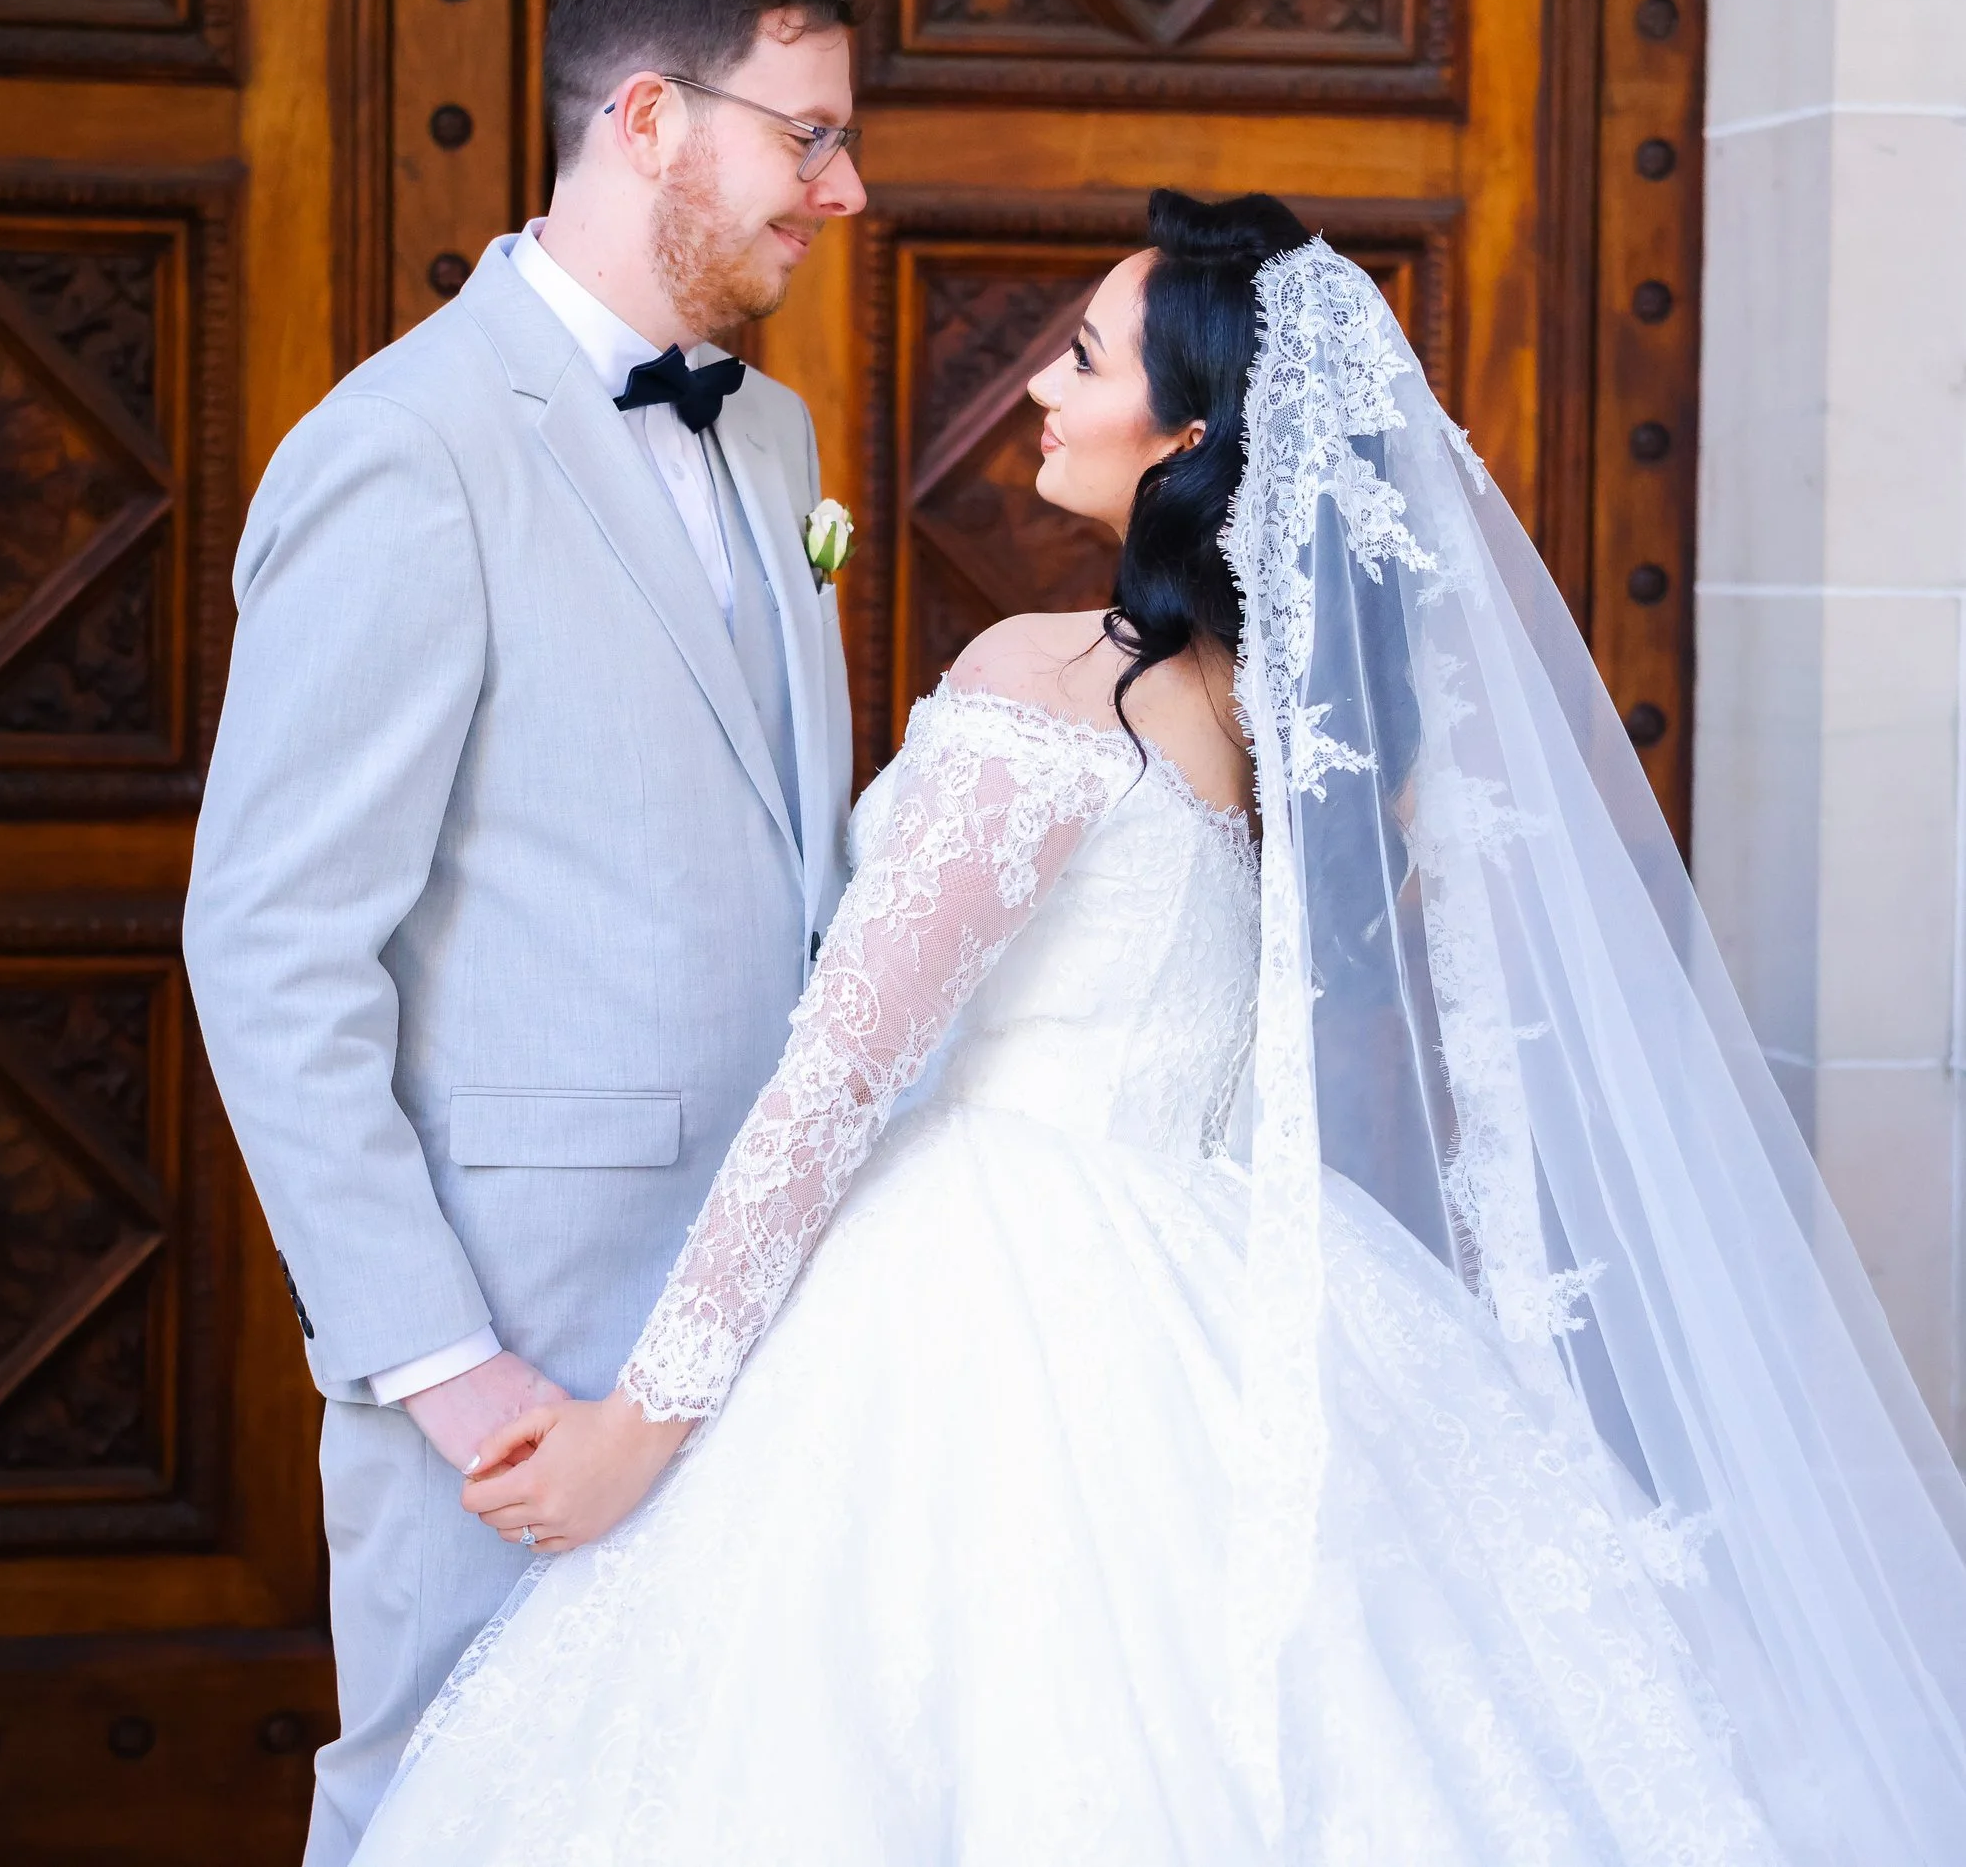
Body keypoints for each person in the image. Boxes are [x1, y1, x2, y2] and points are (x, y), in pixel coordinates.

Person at [351, 194, 1966, 1864]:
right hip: (1209, 1254)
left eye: (1082, 356)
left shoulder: (1045, 688)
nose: (1038, 389)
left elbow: (838, 1075)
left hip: (982, 1268)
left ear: (1186, 431)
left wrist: (642, 1426)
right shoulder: (1262, 714)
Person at [182, 0, 866, 1864]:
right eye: (803, 132)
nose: (839, 189)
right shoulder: (402, 447)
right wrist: (441, 1365)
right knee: (460, 1810)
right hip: (520, 1348)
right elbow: (272, 943)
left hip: (778, 1325)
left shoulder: (775, 435)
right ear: (649, 120)